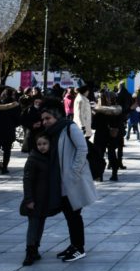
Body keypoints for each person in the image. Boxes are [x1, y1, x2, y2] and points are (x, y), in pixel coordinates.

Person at [40, 100, 97, 262]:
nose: (45, 122)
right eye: (43, 119)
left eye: (48, 118)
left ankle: (79, 248)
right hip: (61, 180)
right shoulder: (52, 132)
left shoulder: (69, 127)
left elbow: (82, 148)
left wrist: (74, 171)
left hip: (72, 180)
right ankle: (74, 245)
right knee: (69, 214)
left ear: (56, 117)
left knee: (74, 215)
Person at [20, 132, 58, 266]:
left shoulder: (51, 157)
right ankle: (29, 251)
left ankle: (35, 248)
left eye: (45, 144)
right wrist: (29, 199)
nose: (42, 147)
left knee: (40, 224)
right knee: (33, 225)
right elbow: (27, 180)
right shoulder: (33, 159)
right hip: (35, 199)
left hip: (45, 199)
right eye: (39, 144)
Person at [0, 88, 20, 175]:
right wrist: (13, 125)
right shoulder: (15, 105)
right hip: (9, 130)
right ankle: (4, 168)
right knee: (7, 150)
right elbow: (18, 120)